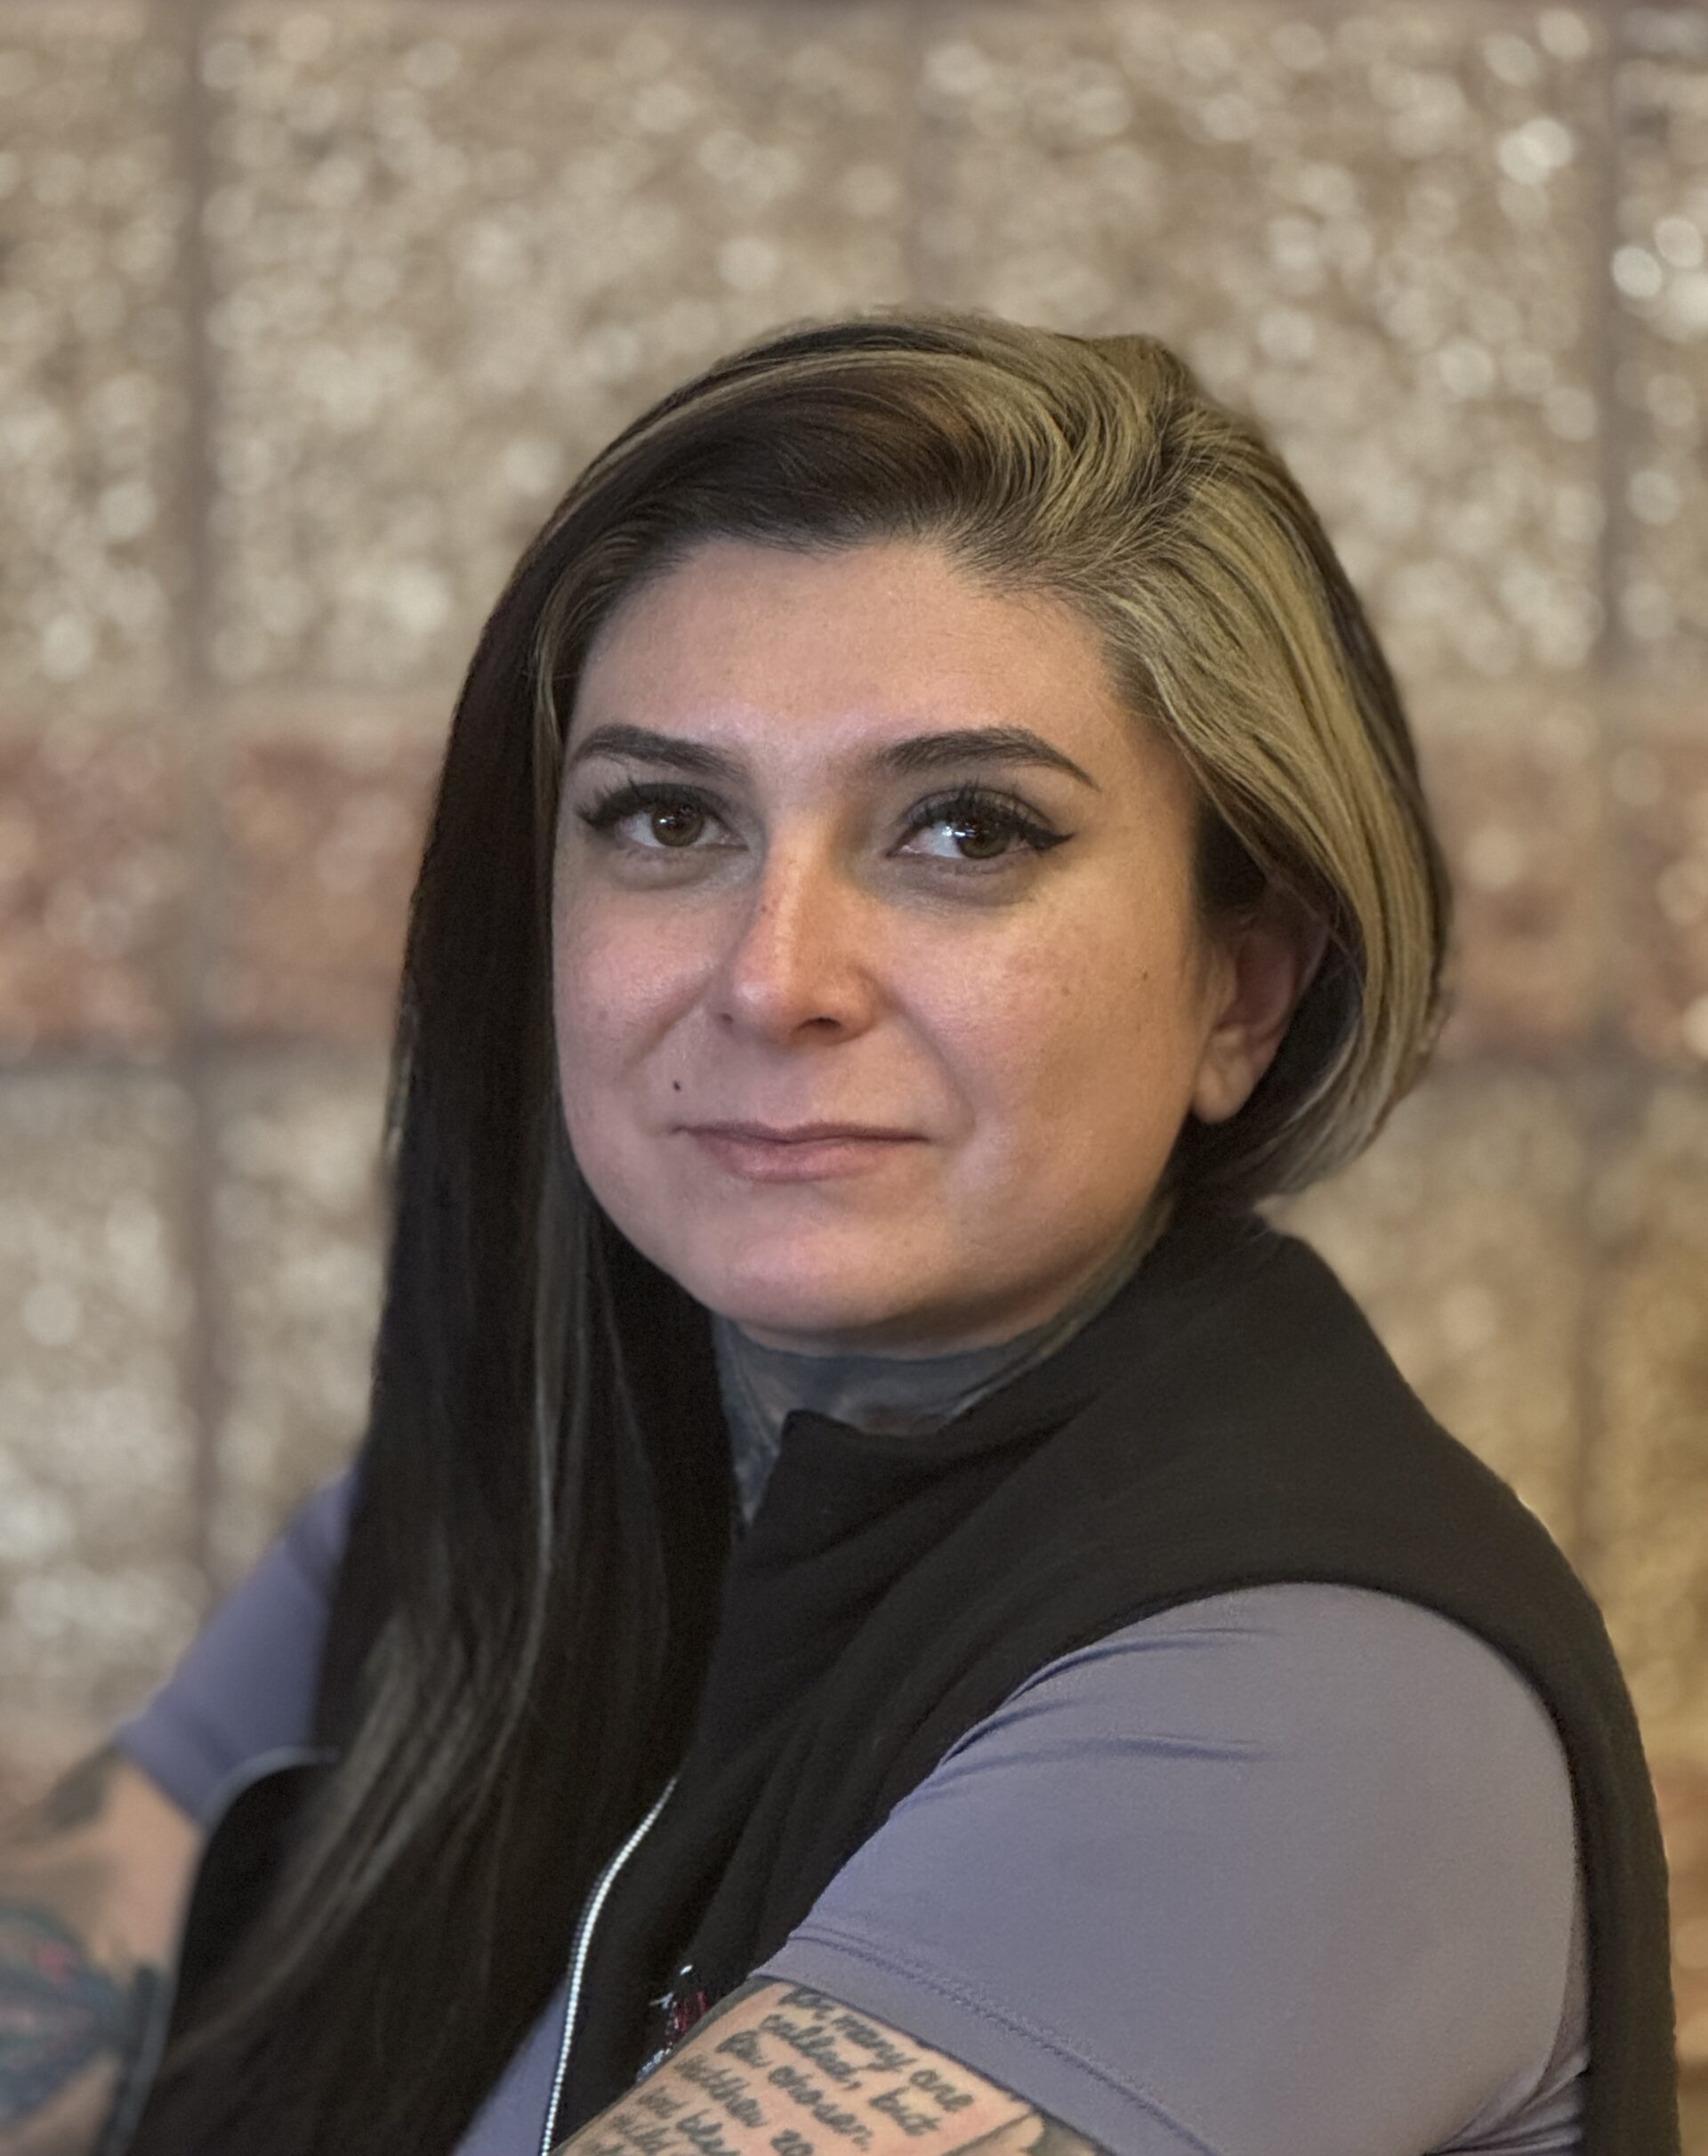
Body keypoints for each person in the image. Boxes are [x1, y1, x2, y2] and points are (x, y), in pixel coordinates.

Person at [0, 309, 1680, 2156]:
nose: (773, 973)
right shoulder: (512, 1489)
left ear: (1242, 989)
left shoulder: (1311, 1715)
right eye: (664, 815)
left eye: (965, 831)